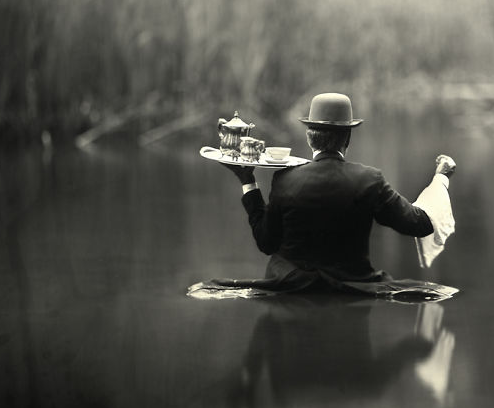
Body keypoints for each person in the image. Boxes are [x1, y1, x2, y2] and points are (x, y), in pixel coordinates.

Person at [188, 92, 458, 300]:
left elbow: (266, 242)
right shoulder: (370, 180)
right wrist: (441, 177)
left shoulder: (284, 178)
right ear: (347, 138)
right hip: (353, 288)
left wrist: (247, 180)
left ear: (309, 138)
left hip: (289, 287)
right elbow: (420, 224)